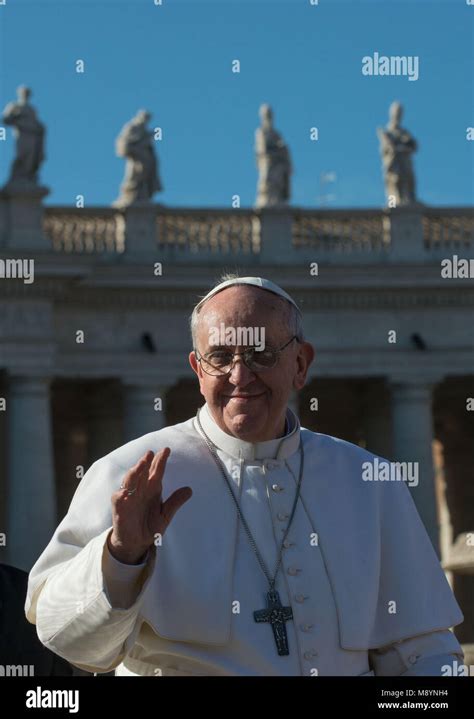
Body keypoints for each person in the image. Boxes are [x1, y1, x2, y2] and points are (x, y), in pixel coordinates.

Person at [25, 275, 464, 676]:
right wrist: (121, 555)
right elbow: (70, 644)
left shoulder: (370, 481)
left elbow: (421, 649)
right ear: (198, 370)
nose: (239, 376)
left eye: (260, 355)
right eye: (220, 357)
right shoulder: (128, 473)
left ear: (300, 364)